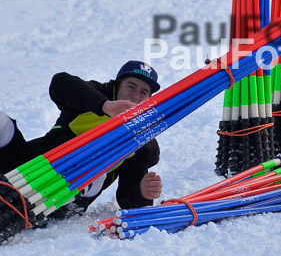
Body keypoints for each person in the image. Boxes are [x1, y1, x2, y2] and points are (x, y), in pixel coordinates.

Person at [0, 60, 163, 218]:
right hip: (30, 166)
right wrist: (104, 106)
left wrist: (142, 193)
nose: (135, 96)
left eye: (144, 92)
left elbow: (128, 200)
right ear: (117, 85)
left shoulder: (143, 141)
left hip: (65, 199)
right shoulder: (95, 96)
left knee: (96, 167)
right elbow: (60, 82)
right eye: (131, 86)